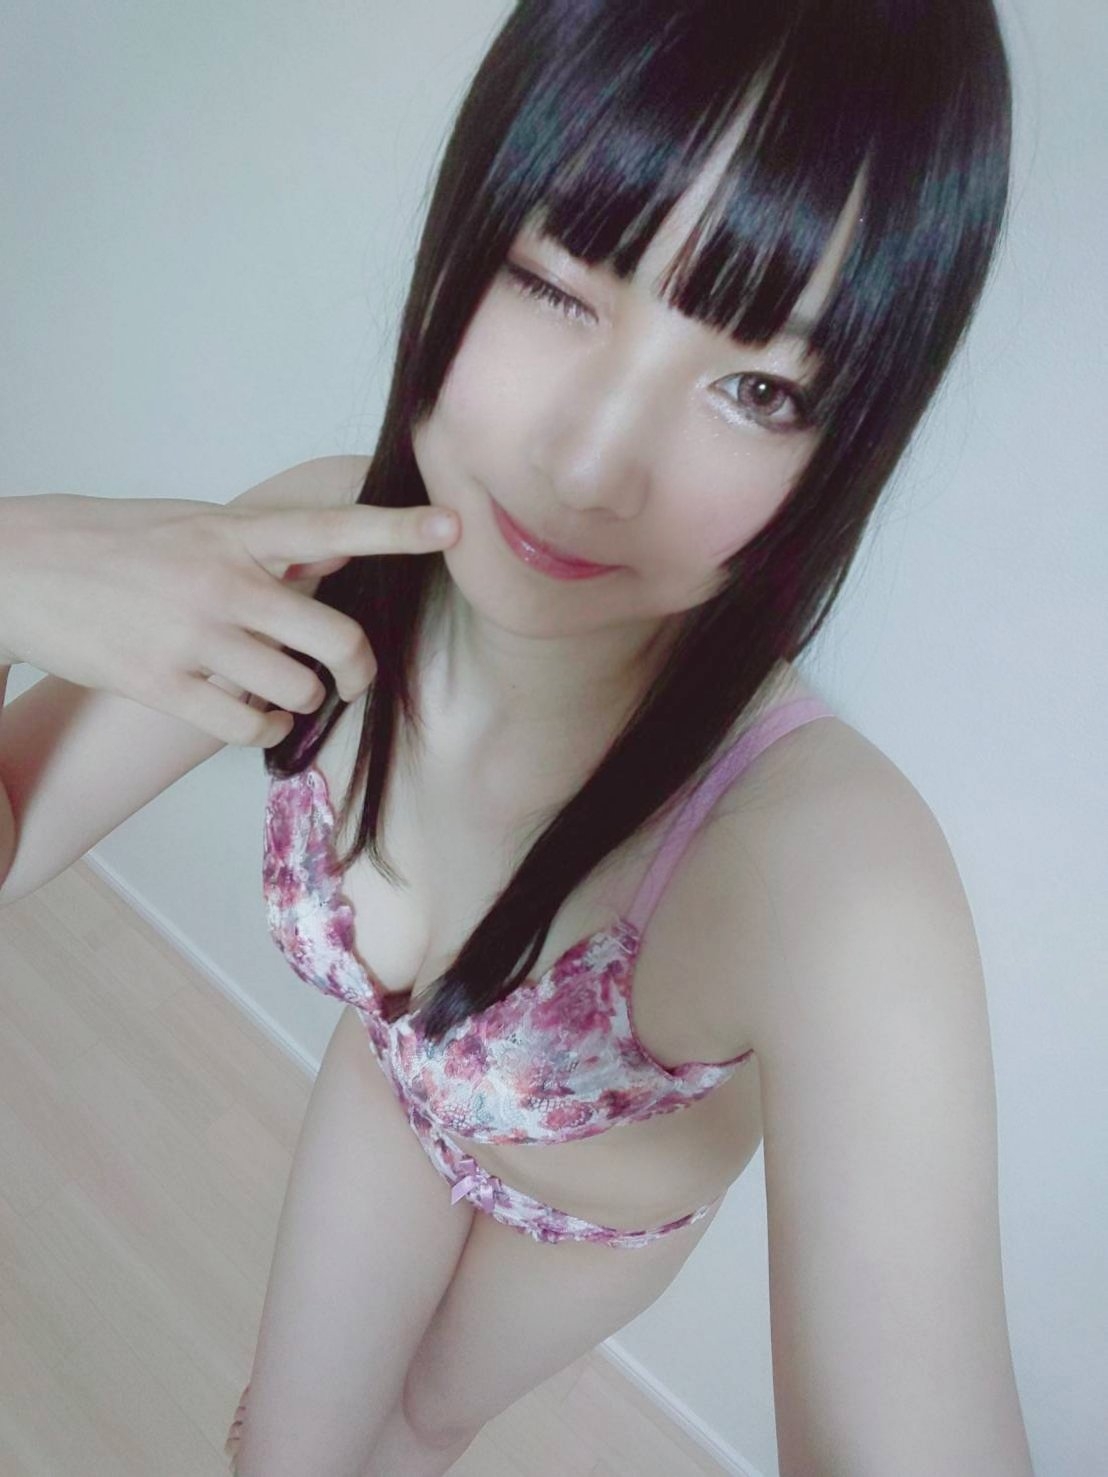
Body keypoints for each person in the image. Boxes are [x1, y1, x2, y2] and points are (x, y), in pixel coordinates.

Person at [0, 3, 1036, 1475]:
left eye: (757, 389)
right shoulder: (320, 552)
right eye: (557, 285)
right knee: (283, 1454)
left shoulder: (833, 875)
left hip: (584, 1220)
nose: (590, 464)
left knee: (420, 1429)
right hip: (398, 1080)